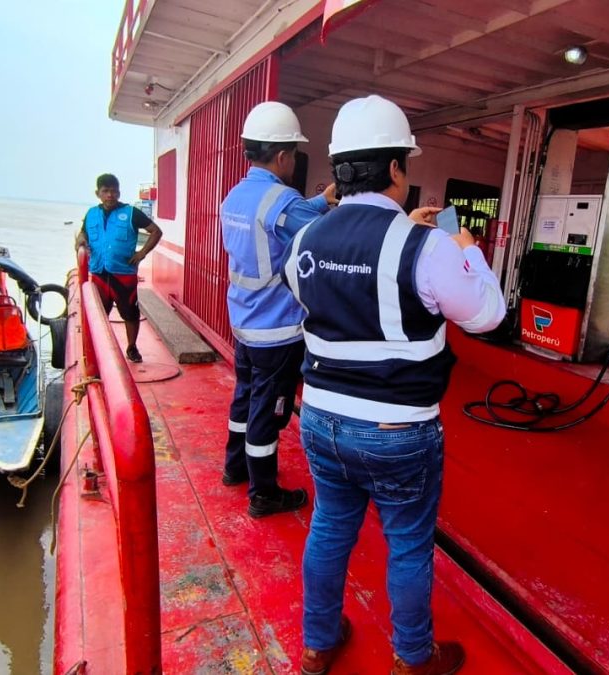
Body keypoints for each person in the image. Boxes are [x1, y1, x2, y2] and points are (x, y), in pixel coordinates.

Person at [283, 95, 507, 675]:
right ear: (396, 170)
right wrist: (468, 252)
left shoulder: (304, 242)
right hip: (398, 430)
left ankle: (318, 643)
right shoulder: (426, 246)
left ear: (339, 170)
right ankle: (412, 659)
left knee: (330, 529)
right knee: (407, 543)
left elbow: (332, 283)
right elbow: (487, 315)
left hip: (321, 420)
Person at [220, 101, 338, 518]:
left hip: (244, 324)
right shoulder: (281, 200)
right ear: (285, 155)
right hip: (277, 330)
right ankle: (264, 492)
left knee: (244, 399)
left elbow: (284, 217)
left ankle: (234, 469)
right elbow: (309, 231)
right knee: (268, 414)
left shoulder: (235, 196)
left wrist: (320, 200)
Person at [75, 173, 163, 362]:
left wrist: (142, 253)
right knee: (98, 314)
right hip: (98, 273)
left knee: (130, 313)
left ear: (119, 192)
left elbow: (156, 231)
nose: (110, 195)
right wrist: (80, 240)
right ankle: (98, 351)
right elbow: (84, 233)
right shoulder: (91, 214)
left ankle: (131, 348)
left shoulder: (131, 213)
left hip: (123, 274)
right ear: (98, 193)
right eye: (105, 191)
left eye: (114, 192)